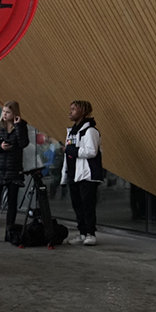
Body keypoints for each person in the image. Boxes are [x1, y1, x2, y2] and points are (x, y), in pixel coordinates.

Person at [0, 102, 29, 243]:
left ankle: (10, 231)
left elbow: (23, 143)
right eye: (3, 111)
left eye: (8, 112)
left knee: (12, 202)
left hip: (13, 168)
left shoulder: (21, 127)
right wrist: (1, 147)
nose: (4, 114)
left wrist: (19, 126)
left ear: (15, 113)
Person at [62, 99, 102, 245]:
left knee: (87, 205)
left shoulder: (90, 131)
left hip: (87, 175)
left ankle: (91, 233)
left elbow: (91, 151)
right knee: (77, 206)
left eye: (74, 109)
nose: (70, 112)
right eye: (70, 109)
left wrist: (70, 150)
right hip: (74, 174)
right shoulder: (71, 132)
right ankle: (82, 233)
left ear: (83, 112)